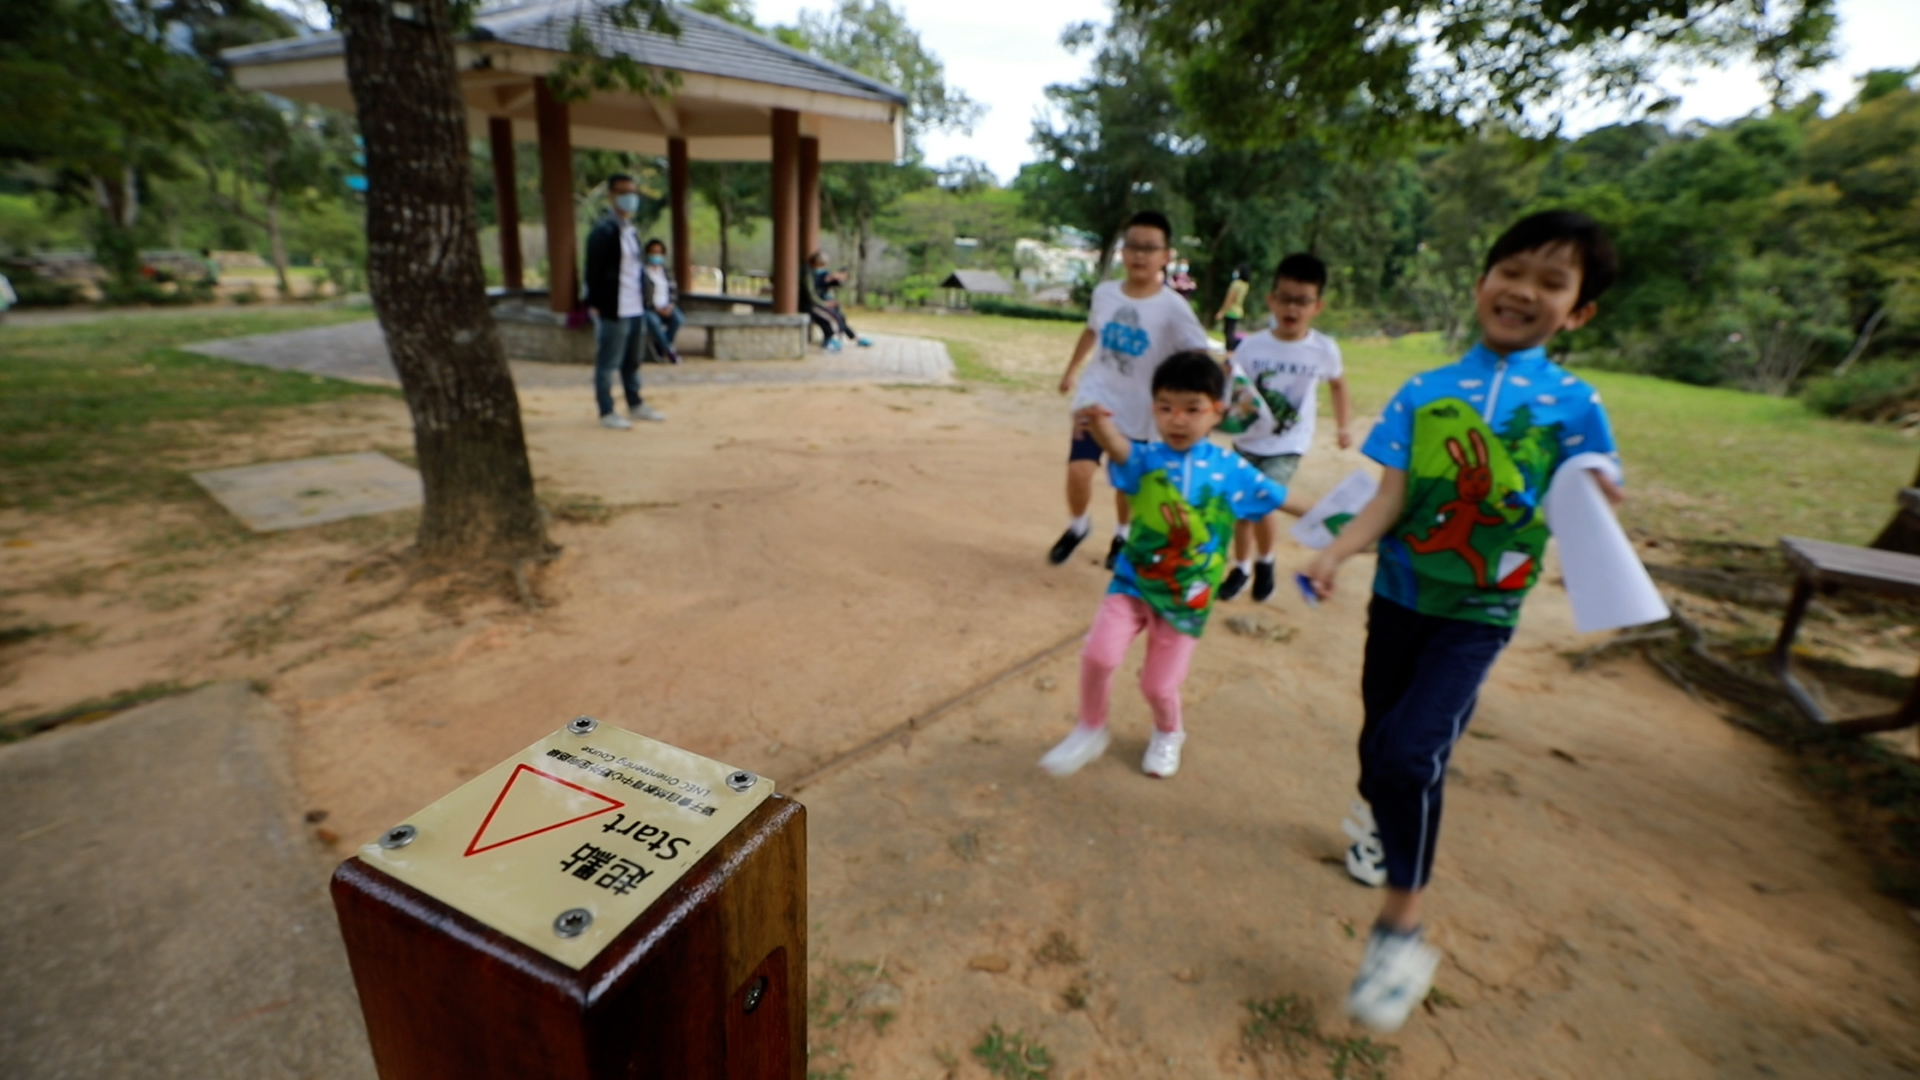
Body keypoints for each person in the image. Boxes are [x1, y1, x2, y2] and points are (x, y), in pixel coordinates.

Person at [1300, 210, 1623, 1033]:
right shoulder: (1425, 391)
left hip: (1477, 614)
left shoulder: (1575, 404)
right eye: (1513, 271)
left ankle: (1400, 929)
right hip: (1400, 599)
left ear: (1579, 310)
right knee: (1380, 747)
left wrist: (1596, 492)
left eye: (1553, 282)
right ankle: (1380, 822)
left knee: (1410, 754)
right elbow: (1390, 501)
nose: (1525, 291)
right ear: (1482, 281)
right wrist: (1337, 554)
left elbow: (1589, 489)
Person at [1038, 351, 1294, 780]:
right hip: (1133, 581)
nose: (1178, 420)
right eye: (1165, 408)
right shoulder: (1146, 458)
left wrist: (1346, 520)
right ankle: (1090, 726)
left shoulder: (1231, 469)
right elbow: (1119, 448)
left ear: (1217, 411)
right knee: (1098, 656)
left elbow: (1284, 499)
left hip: (1187, 598)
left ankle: (1169, 731)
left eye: (1192, 409)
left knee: (1157, 686)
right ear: (1153, 407)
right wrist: (1098, 423)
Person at [1050, 210, 1212, 569]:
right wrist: (1071, 371)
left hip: (1140, 408)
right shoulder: (1105, 294)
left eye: (1150, 248)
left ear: (1165, 256)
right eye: (1133, 246)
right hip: (1097, 394)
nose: (1140, 255)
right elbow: (1093, 330)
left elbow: (1198, 353)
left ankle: (1122, 534)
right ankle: (1078, 527)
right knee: (1079, 470)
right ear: (1123, 251)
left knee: (1126, 483)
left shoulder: (1174, 308)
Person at [1217, 253, 1351, 604]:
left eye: (1303, 301)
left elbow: (1338, 385)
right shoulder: (1251, 346)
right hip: (1248, 440)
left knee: (1261, 502)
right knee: (1240, 508)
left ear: (1317, 305)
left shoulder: (1324, 349)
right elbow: (1235, 389)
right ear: (1271, 300)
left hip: (1288, 444)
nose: (1293, 309)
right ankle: (1243, 567)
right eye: (1286, 299)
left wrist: (1343, 426)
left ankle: (1265, 562)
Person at [582, 173, 666, 428]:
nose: (631, 198)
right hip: (613, 308)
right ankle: (607, 411)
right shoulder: (603, 230)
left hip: (635, 307)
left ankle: (635, 403)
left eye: (634, 192)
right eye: (624, 192)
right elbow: (592, 271)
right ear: (612, 196)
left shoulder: (631, 231)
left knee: (632, 362)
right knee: (608, 363)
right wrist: (595, 303)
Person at [810, 252, 871, 347]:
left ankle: (852, 337)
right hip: (815, 305)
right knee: (833, 318)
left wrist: (836, 279)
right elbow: (814, 291)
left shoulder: (824, 274)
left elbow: (834, 283)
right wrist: (824, 302)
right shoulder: (812, 275)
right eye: (822, 264)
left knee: (840, 317)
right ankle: (838, 339)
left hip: (822, 303)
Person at [640, 238, 684, 365]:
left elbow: (673, 290)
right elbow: (641, 294)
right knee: (653, 322)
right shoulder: (642, 272)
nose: (656, 255)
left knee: (678, 318)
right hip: (649, 308)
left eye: (659, 252)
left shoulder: (665, 271)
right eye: (653, 252)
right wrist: (655, 308)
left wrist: (670, 305)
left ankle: (660, 346)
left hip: (667, 306)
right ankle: (670, 351)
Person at [1213, 265, 1250, 351]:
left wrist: (1222, 311)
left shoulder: (1236, 284)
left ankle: (1230, 350)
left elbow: (1230, 298)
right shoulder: (1245, 285)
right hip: (1239, 310)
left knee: (1228, 332)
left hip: (1231, 310)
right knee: (1231, 331)